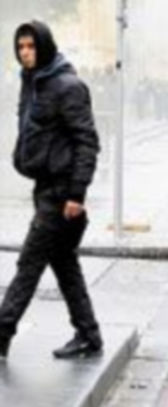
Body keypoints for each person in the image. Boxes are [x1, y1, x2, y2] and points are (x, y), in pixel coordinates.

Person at [0, 21, 103, 360]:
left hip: (61, 194)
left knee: (28, 264)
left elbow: (87, 142)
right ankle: (89, 335)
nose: (25, 53)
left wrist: (77, 194)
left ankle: (2, 332)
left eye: (30, 47)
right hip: (45, 188)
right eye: (21, 48)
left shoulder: (67, 86)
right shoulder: (32, 84)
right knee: (64, 265)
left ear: (43, 46)